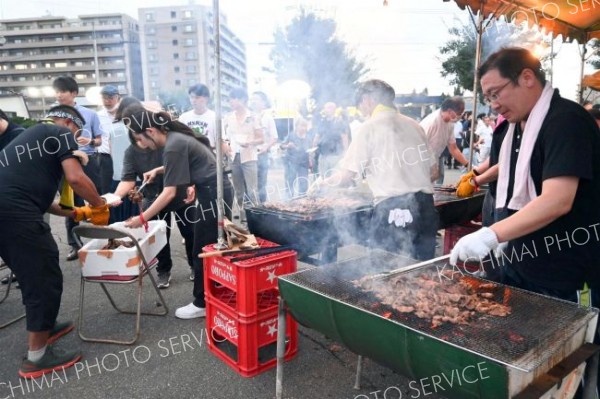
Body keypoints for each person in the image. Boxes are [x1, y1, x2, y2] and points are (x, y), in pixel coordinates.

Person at [450, 49, 600, 380]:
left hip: (566, 272)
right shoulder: (520, 125)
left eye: (495, 93)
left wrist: (491, 234)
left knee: (563, 367)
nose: (493, 105)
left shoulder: (566, 120)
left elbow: (558, 200)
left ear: (527, 78)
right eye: (487, 97)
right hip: (521, 265)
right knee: (525, 364)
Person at [0, 104, 109, 378]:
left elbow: (43, 200)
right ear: (66, 121)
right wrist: (99, 206)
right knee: (43, 273)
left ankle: (45, 325)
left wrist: (78, 212)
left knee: (28, 273)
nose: (76, 137)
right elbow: (76, 178)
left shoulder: (31, 138)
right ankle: (37, 357)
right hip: (15, 213)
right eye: (77, 130)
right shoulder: (57, 132)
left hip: (9, 211)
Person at [121, 108, 233, 319]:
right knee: (216, 245)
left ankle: (202, 303)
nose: (143, 145)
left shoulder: (172, 146)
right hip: (215, 190)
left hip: (213, 194)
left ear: (151, 131)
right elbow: (188, 161)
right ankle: (220, 292)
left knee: (202, 249)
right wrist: (158, 170)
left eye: (142, 139)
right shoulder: (175, 138)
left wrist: (142, 218)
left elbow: (169, 193)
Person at [309, 80, 438, 260]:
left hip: (394, 210)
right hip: (426, 209)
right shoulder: (415, 126)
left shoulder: (369, 127)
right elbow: (434, 172)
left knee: (387, 274)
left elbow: (346, 176)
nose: (362, 111)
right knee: (423, 272)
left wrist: (322, 183)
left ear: (367, 99)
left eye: (360, 106)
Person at [111, 104, 196, 288]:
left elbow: (185, 165)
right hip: (153, 197)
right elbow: (127, 179)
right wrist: (114, 197)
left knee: (190, 233)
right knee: (159, 237)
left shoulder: (165, 142)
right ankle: (163, 270)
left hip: (180, 194)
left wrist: (190, 184)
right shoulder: (131, 152)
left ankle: (195, 266)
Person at [53, 76, 104, 261]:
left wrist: (89, 141)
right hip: (63, 163)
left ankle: (101, 239)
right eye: (56, 91)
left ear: (74, 93)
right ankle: (74, 244)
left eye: (62, 91)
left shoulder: (89, 114)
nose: (59, 95)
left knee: (94, 198)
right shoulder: (53, 114)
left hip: (88, 160)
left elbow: (99, 139)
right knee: (69, 204)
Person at [223, 88, 264, 219]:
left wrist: (250, 142)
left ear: (243, 100)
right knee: (238, 191)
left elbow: (261, 138)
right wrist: (226, 145)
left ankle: (256, 217)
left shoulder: (253, 117)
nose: (231, 102)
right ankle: (243, 217)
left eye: (234, 98)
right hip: (234, 156)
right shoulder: (228, 118)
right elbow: (225, 137)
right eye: (230, 99)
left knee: (252, 190)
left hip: (250, 156)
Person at [420, 97, 469, 184]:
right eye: (459, 114)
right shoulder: (431, 122)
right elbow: (418, 147)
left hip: (434, 158)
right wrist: (432, 166)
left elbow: (453, 148)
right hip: (421, 162)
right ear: (450, 111)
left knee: (433, 188)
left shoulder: (450, 124)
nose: (460, 117)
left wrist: (468, 165)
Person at [250, 91, 278, 203]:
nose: (253, 101)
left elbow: (274, 137)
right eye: (252, 99)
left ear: (263, 102)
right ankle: (249, 210)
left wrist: (266, 147)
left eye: (256, 99)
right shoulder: (248, 116)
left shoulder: (268, 117)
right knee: (249, 185)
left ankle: (262, 209)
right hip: (248, 155)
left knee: (261, 184)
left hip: (262, 155)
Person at [312, 102, 350, 178]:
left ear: (334, 109)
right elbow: (317, 137)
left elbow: (344, 137)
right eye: (326, 108)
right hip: (323, 156)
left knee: (334, 179)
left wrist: (346, 152)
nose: (327, 110)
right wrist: (313, 150)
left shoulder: (339, 122)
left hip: (335, 156)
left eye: (329, 108)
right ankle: (324, 190)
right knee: (323, 178)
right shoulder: (322, 122)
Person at [96, 85, 119, 194]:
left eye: (110, 98)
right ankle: (108, 211)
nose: (107, 101)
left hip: (123, 157)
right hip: (105, 158)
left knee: (123, 187)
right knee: (106, 189)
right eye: (104, 98)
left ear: (117, 97)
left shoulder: (125, 113)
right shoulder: (97, 116)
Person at [281, 117, 311, 197]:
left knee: (303, 184)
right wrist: (287, 146)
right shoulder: (291, 135)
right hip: (291, 163)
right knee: (289, 183)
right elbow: (282, 146)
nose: (303, 128)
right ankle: (289, 202)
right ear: (297, 126)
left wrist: (311, 160)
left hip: (303, 164)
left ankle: (302, 201)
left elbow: (310, 150)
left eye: (305, 126)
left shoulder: (308, 137)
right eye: (301, 126)